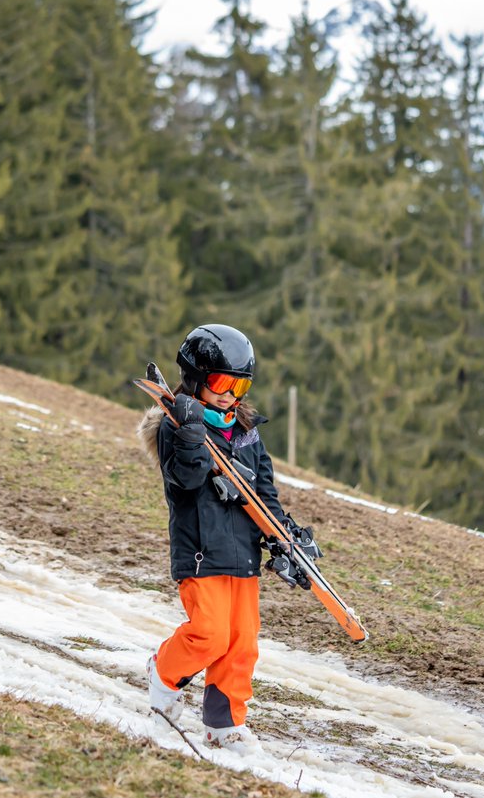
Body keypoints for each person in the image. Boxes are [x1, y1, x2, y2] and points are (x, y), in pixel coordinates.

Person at [137, 323, 297, 755]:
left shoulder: (244, 430)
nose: (230, 394)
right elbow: (184, 481)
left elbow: (263, 489)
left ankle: (225, 724)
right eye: (221, 383)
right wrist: (190, 438)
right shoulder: (175, 425)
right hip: (201, 551)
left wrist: (282, 533)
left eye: (239, 385)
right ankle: (163, 675)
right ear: (196, 377)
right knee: (208, 633)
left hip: (243, 552)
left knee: (242, 641)